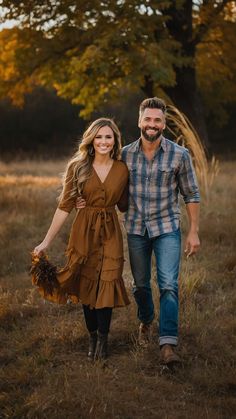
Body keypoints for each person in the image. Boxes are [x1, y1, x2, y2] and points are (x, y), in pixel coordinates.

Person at [33, 118, 130, 361]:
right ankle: (93, 337)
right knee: (86, 285)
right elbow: (64, 206)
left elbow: (125, 204)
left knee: (107, 281)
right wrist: (46, 241)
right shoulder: (78, 167)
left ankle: (104, 341)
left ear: (115, 140)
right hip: (83, 231)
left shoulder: (122, 169)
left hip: (110, 232)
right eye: (99, 137)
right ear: (91, 140)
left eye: (108, 137)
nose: (104, 142)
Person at [121, 97, 200, 365]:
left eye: (157, 120)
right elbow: (108, 186)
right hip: (135, 229)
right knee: (140, 286)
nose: (152, 124)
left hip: (167, 227)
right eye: (148, 119)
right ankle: (145, 320)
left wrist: (193, 232)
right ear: (139, 121)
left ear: (164, 124)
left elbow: (191, 194)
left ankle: (168, 344)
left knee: (168, 285)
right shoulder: (124, 154)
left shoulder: (180, 155)